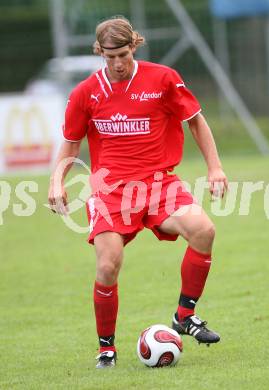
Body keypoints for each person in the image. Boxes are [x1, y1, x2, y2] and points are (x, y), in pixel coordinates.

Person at [48, 16, 228, 369]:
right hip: (111, 192)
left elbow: (195, 120)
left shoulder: (162, 79)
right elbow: (70, 146)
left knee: (204, 230)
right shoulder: (85, 92)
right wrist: (56, 180)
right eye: (110, 56)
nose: (118, 63)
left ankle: (184, 316)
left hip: (160, 183)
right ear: (100, 52)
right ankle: (106, 350)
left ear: (135, 46)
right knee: (107, 265)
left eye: (125, 54)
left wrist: (215, 167)